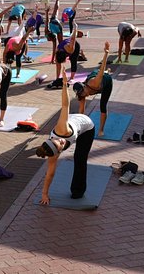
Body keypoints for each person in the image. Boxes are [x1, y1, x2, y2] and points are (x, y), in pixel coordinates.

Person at [36, 70, 96, 204]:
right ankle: (82, 103)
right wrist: (44, 194)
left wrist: (64, 84)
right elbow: (50, 173)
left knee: (79, 159)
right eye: (62, 146)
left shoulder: (61, 128)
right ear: (57, 152)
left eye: (59, 142)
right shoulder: (52, 152)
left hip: (87, 128)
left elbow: (65, 105)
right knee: (72, 156)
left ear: (53, 138)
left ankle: (78, 191)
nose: (62, 142)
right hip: (77, 124)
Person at [73, 43, 113, 137]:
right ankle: (108, 71)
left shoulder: (93, 83)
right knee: (100, 73)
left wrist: (106, 53)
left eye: (83, 93)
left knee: (103, 105)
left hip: (105, 82)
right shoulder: (81, 95)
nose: (84, 95)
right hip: (96, 76)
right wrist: (80, 127)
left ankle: (101, 129)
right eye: (81, 94)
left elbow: (101, 69)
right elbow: (81, 111)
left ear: (84, 87)